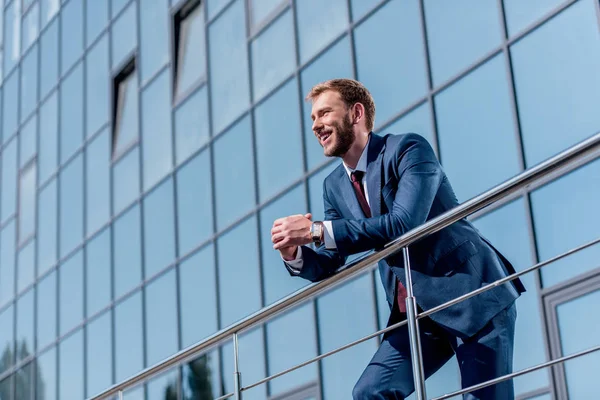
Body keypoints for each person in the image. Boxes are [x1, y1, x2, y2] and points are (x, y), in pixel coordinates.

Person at [270, 78, 526, 399]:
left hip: (472, 293)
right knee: (370, 392)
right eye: (312, 118)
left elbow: (405, 222)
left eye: (324, 113)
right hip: (417, 314)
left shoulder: (408, 149)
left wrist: (317, 231)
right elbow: (331, 260)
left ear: (356, 113)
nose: (316, 125)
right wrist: (294, 252)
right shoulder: (333, 186)